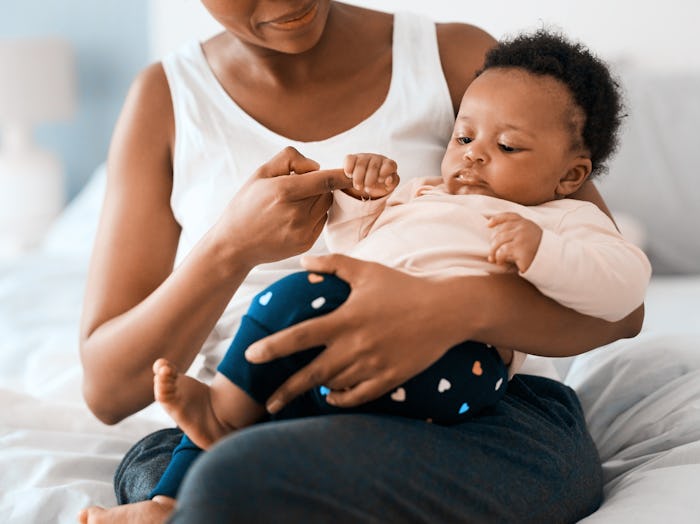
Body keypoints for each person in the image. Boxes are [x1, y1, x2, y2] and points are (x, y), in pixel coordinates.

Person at [78, 2, 643, 523]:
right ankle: (202, 485)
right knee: (212, 465)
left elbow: (621, 304)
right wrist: (231, 247)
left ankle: (219, 491)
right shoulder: (166, 98)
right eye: (462, 137)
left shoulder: (466, 62)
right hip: (256, 396)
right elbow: (110, 393)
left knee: (235, 483)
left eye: (502, 148)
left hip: (474, 407)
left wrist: (454, 309)